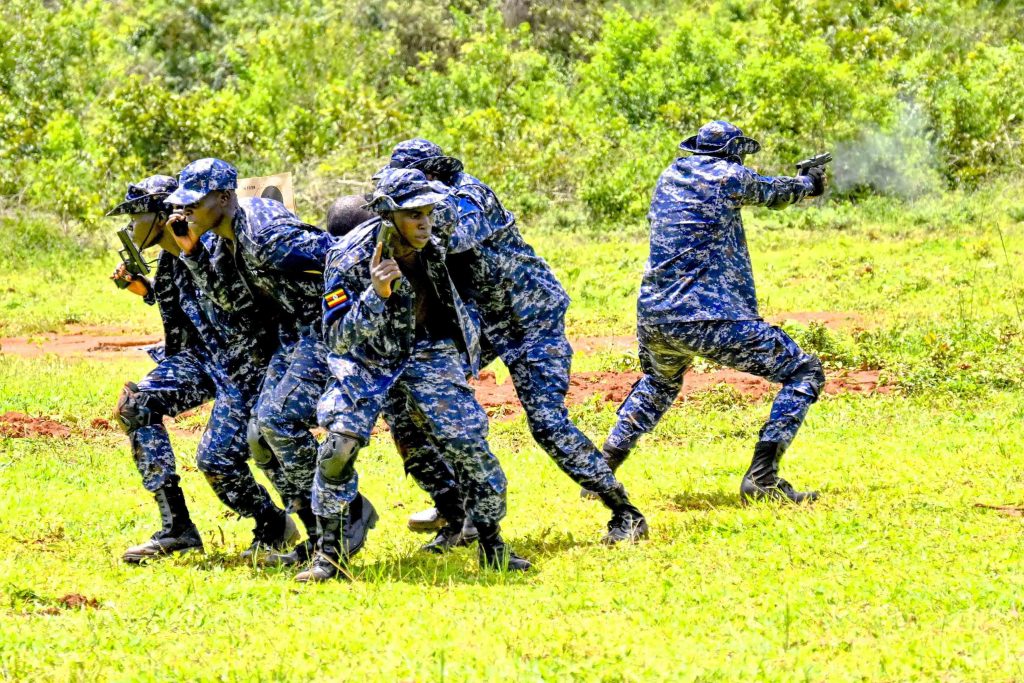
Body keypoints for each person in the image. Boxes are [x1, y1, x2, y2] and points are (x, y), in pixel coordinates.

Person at [387, 138, 648, 547]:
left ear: (433, 177)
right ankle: (457, 512)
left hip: (532, 322)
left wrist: (406, 211)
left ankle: (625, 512)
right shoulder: (420, 211)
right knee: (408, 404)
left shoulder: (471, 196)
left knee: (546, 423)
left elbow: (453, 233)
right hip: (484, 324)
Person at [299, 168, 530, 582]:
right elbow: (336, 336)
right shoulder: (349, 257)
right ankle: (328, 555)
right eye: (413, 215)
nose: (425, 223)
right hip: (366, 356)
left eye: (429, 212)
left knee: (468, 442)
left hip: (427, 349)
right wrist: (376, 295)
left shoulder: (438, 238)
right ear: (388, 216)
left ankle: (494, 545)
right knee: (338, 447)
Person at [601, 121, 828, 503]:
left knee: (659, 384)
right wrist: (810, 184)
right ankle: (763, 478)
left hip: (655, 315)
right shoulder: (728, 177)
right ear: (734, 151)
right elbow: (772, 191)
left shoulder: (670, 176)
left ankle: (599, 470)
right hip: (709, 316)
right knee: (804, 372)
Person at [165, 159, 377, 564]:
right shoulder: (225, 238)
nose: (184, 212)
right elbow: (231, 301)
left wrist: (360, 322)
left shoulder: (267, 236)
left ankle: (346, 514)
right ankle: (317, 532)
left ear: (225, 198)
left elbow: (340, 257)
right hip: (293, 334)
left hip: (323, 329)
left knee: (278, 421)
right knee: (258, 436)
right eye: (182, 205)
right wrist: (191, 253)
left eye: (193, 204)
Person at [105, 175, 296, 562]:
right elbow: (180, 302)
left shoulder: (213, 248)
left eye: (135, 216)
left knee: (217, 461)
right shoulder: (173, 257)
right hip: (203, 358)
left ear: (162, 216)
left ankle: (273, 523)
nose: (129, 227)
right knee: (136, 405)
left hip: (246, 365)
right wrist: (144, 289)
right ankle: (177, 528)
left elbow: (244, 306)